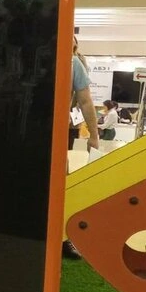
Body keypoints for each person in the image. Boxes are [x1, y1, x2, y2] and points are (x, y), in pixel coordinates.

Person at [63, 48, 100, 260]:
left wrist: (94, 135)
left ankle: (64, 238)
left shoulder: (72, 63)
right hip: (27, 128)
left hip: (57, 134)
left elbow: (85, 101)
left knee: (63, 185)